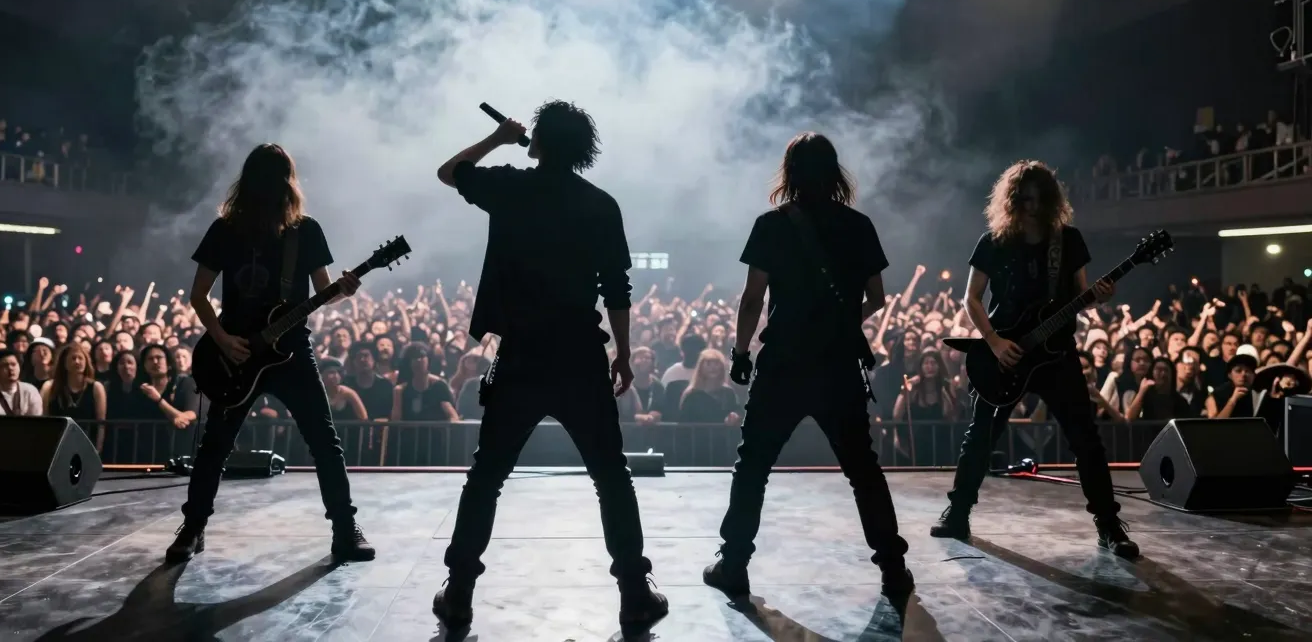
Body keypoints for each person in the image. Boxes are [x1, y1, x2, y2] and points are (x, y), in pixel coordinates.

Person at [432, 101, 667, 629]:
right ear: (584, 149)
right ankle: (635, 593)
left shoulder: (509, 188)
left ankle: (460, 591)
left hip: (521, 355)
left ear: (535, 142)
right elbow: (617, 288)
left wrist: (498, 137)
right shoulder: (600, 204)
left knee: (487, 476)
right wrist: (623, 352)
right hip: (580, 354)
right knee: (612, 476)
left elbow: (450, 172)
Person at [704, 131, 913, 601]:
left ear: (790, 172)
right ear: (835, 171)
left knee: (753, 465)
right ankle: (893, 568)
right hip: (838, 363)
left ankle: (733, 565)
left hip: (783, 362)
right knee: (862, 469)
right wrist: (844, 321)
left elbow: (753, 299)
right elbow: (877, 298)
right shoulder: (859, 225)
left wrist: (741, 353)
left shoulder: (771, 224)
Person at [166, 143, 374, 564]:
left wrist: (344, 290)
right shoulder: (225, 230)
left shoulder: (305, 231)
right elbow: (198, 295)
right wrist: (222, 340)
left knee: (324, 442)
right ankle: (193, 526)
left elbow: (323, 292)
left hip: (290, 352)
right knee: (215, 445)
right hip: (237, 354)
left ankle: (344, 528)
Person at [929, 160, 1139, 559]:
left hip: (1057, 355)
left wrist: (1099, 297)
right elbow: (971, 298)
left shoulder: (1068, 241)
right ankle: (958, 513)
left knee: (1086, 440)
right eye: (1024, 200)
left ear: (1049, 201)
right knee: (980, 436)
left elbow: (1081, 296)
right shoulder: (993, 241)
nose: (1030, 207)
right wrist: (993, 342)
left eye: (1038, 200)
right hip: (1005, 354)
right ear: (1011, 201)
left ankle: (1109, 525)